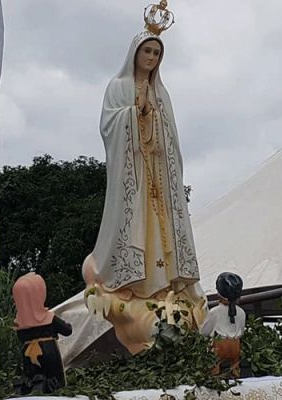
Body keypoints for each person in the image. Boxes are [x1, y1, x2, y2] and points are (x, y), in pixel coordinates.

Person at [80, 24, 206, 353]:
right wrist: (135, 115)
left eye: (157, 53)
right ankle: (134, 286)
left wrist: (153, 119)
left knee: (163, 232)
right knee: (135, 226)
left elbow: (171, 137)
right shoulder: (118, 86)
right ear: (135, 53)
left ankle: (166, 289)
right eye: (147, 51)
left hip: (158, 176)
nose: (151, 57)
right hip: (133, 176)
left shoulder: (161, 93)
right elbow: (109, 125)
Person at [13, 272, 72, 395]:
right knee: (53, 377)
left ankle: (30, 386)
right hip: (48, 349)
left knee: (32, 374)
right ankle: (47, 386)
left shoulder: (18, 323)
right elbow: (67, 330)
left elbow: (20, 338)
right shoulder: (48, 317)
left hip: (27, 351)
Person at [201, 272, 246, 378]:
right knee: (235, 369)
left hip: (219, 347)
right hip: (235, 346)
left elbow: (204, 332)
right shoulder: (241, 312)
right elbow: (242, 331)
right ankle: (235, 374)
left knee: (214, 370)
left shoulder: (214, 312)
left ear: (218, 292)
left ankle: (215, 375)